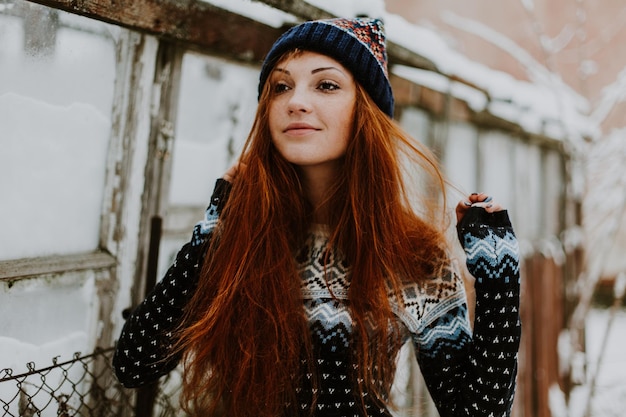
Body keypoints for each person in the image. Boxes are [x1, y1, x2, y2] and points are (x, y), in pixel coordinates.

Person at [113, 17, 521, 417]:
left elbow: (476, 411)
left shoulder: (411, 256)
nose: (296, 101)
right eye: (281, 86)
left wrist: (498, 276)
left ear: (367, 113)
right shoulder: (240, 239)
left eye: (326, 85)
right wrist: (218, 229)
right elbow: (135, 362)